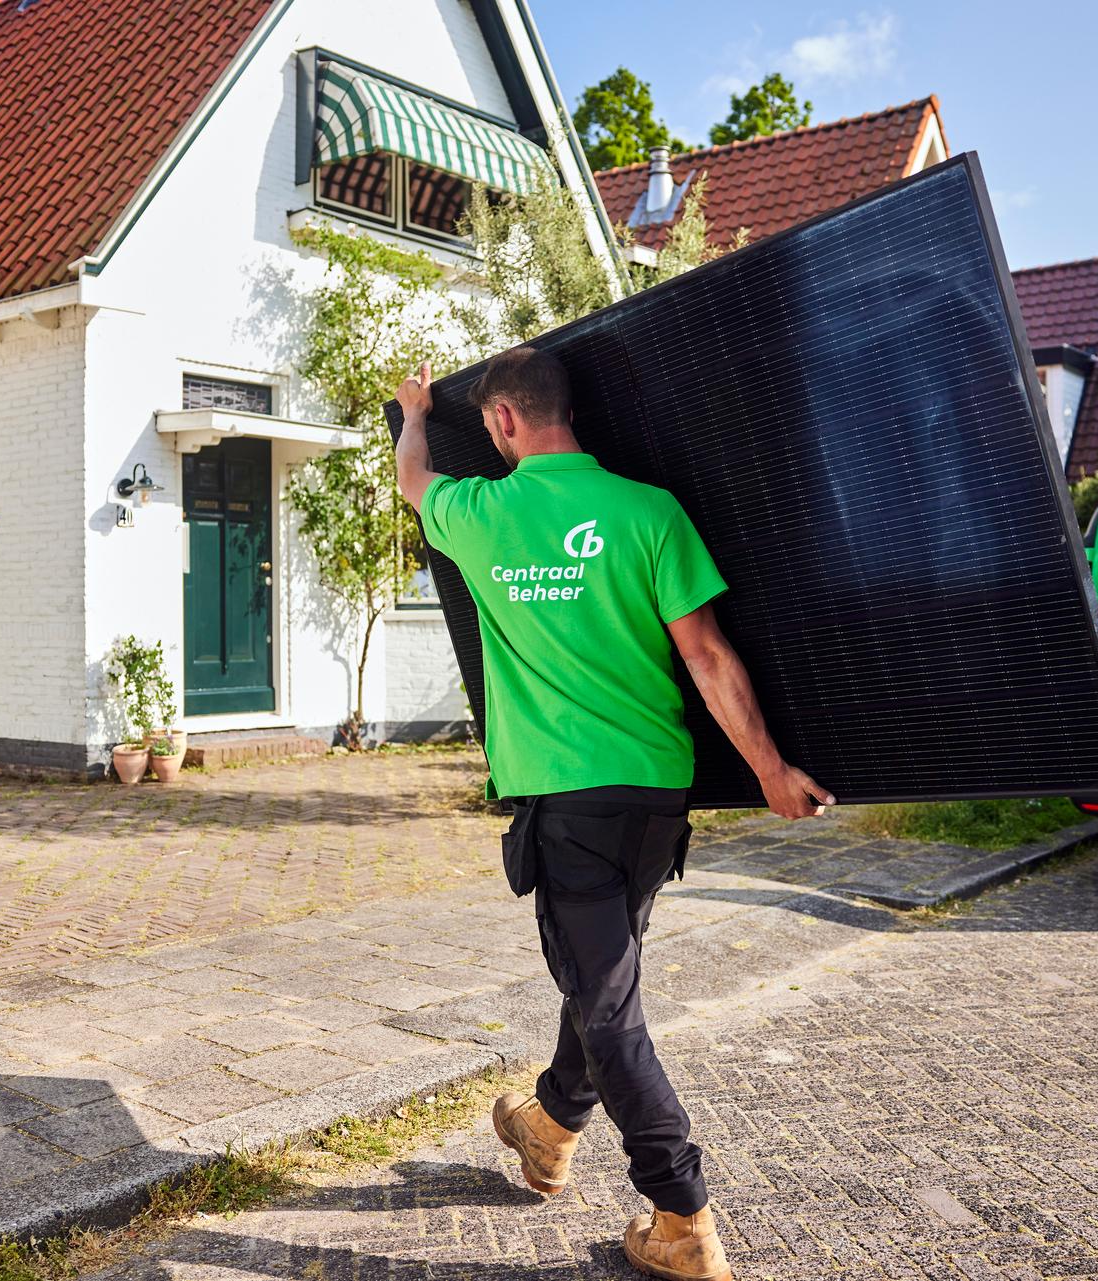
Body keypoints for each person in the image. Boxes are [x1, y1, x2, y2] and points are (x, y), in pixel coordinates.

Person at [393, 346, 834, 1281]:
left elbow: (412, 477)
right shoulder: (649, 511)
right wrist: (772, 770)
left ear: (503, 423)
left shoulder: (479, 513)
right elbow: (711, 657)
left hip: (568, 804)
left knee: (608, 1007)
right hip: (654, 806)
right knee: (605, 980)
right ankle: (548, 1127)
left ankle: (683, 1218)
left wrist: (415, 411)